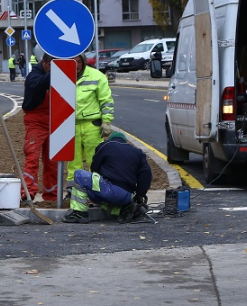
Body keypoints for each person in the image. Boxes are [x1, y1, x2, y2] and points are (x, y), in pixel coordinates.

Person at [66, 131, 152, 224]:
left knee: (79, 174)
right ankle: (124, 209)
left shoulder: (105, 146)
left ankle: (79, 213)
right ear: (124, 141)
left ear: (111, 139)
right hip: (127, 196)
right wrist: (140, 194)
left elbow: (95, 168)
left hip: (110, 190)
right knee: (99, 195)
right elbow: (146, 174)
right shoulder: (137, 152)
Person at [66, 54, 114, 185]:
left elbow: (106, 101)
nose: (76, 65)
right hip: (70, 125)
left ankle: (97, 189)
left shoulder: (97, 76)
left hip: (92, 125)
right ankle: (73, 190)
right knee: (73, 161)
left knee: (95, 160)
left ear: (84, 62)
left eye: (78, 62)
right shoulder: (62, 76)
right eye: (72, 62)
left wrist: (106, 121)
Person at [21, 52, 58, 203]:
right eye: (50, 66)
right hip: (36, 122)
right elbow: (38, 84)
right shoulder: (33, 76)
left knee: (53, 161)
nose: (51, 69)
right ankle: (27, 193)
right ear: (43, 62)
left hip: (55, 122)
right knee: (32, 158)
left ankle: (52, 195)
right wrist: (56, 72)